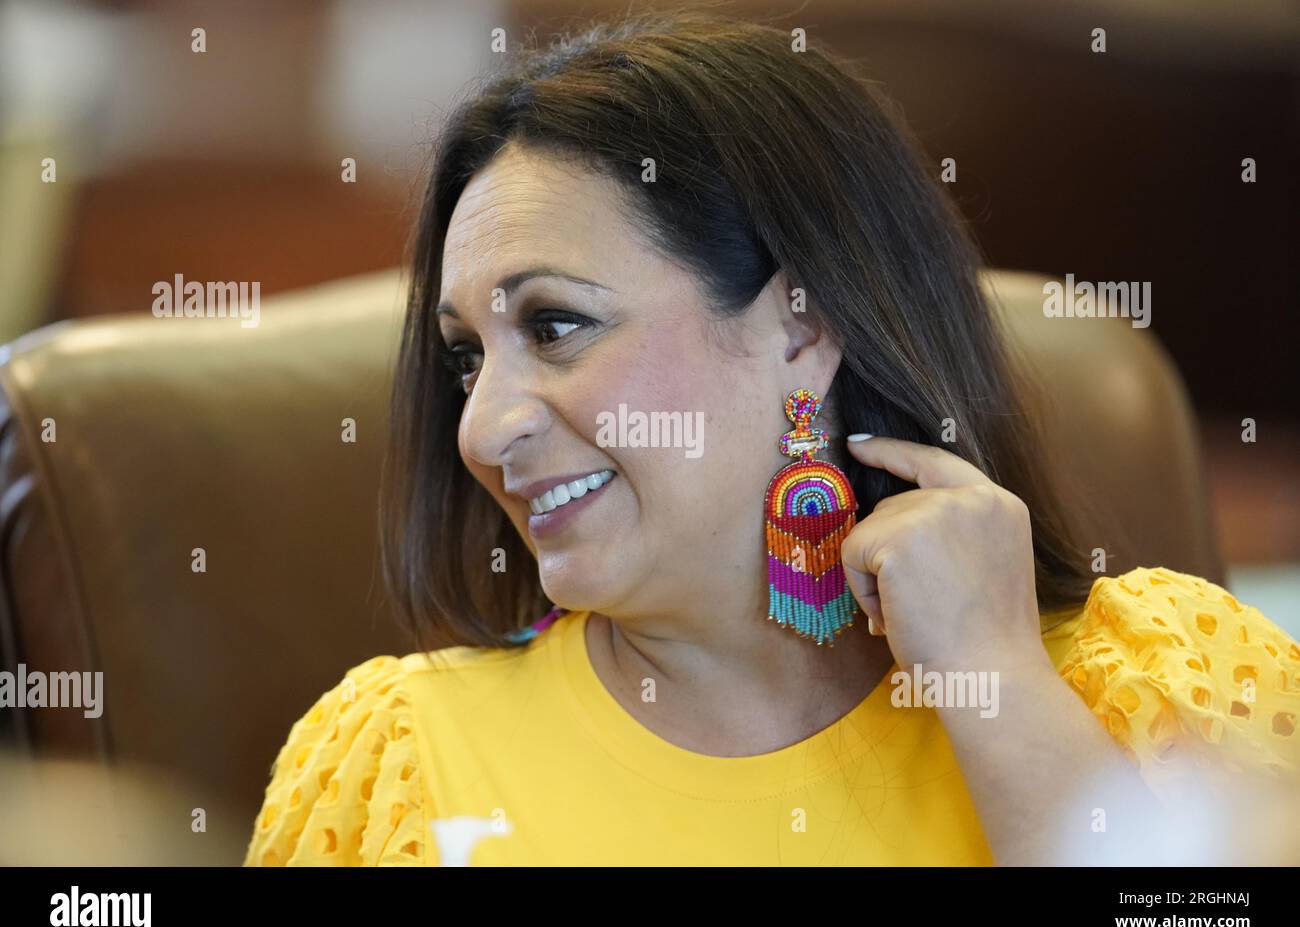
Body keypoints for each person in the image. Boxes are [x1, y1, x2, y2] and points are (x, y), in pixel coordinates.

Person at [244, 12, 1298, 866]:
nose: (482, 426)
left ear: (804, 324)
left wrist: (996, 681)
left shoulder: (1159, 680)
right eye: (467, 356)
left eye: (556, 326)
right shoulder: (393, 761)